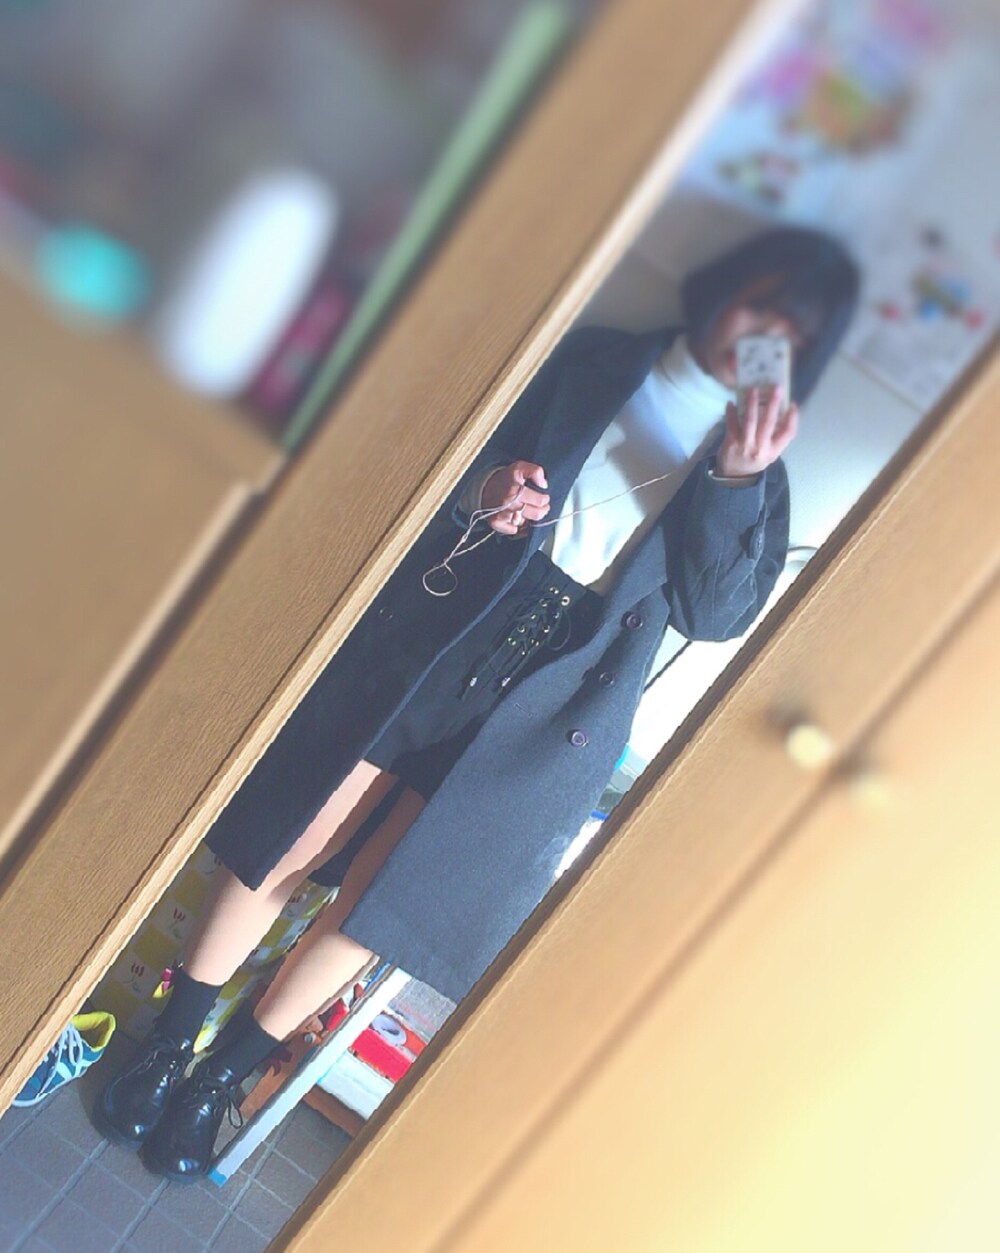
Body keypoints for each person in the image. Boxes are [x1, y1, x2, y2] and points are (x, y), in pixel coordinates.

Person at [97, 226, 859, 1179]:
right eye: (761, 305)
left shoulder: (761, 479)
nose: (765, 337)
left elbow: (716, 616)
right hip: (450, 619)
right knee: (292, 833)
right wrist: (482, 490)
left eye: (793, 333)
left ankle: (220, 1081)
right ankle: (169, 1045)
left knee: (385, 905)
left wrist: (737, 479)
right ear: (721, 289)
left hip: (561, 694)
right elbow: (438, 446)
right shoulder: (593, 358)